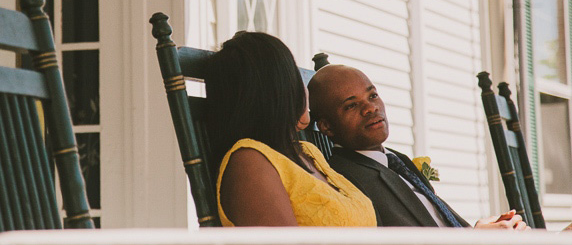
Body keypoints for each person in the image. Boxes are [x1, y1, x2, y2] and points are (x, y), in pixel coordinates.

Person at [308, 64, 529, 230]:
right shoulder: (345, 181)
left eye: (373, 95)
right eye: (352, 105)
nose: (370, 108)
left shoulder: (396, 161)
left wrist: (487, 230)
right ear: (326, 126)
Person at [204, 32, 376, 227]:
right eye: (294, 75)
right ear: (279, 89)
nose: (304, 88)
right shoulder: (249, 162)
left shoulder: (307, 151)